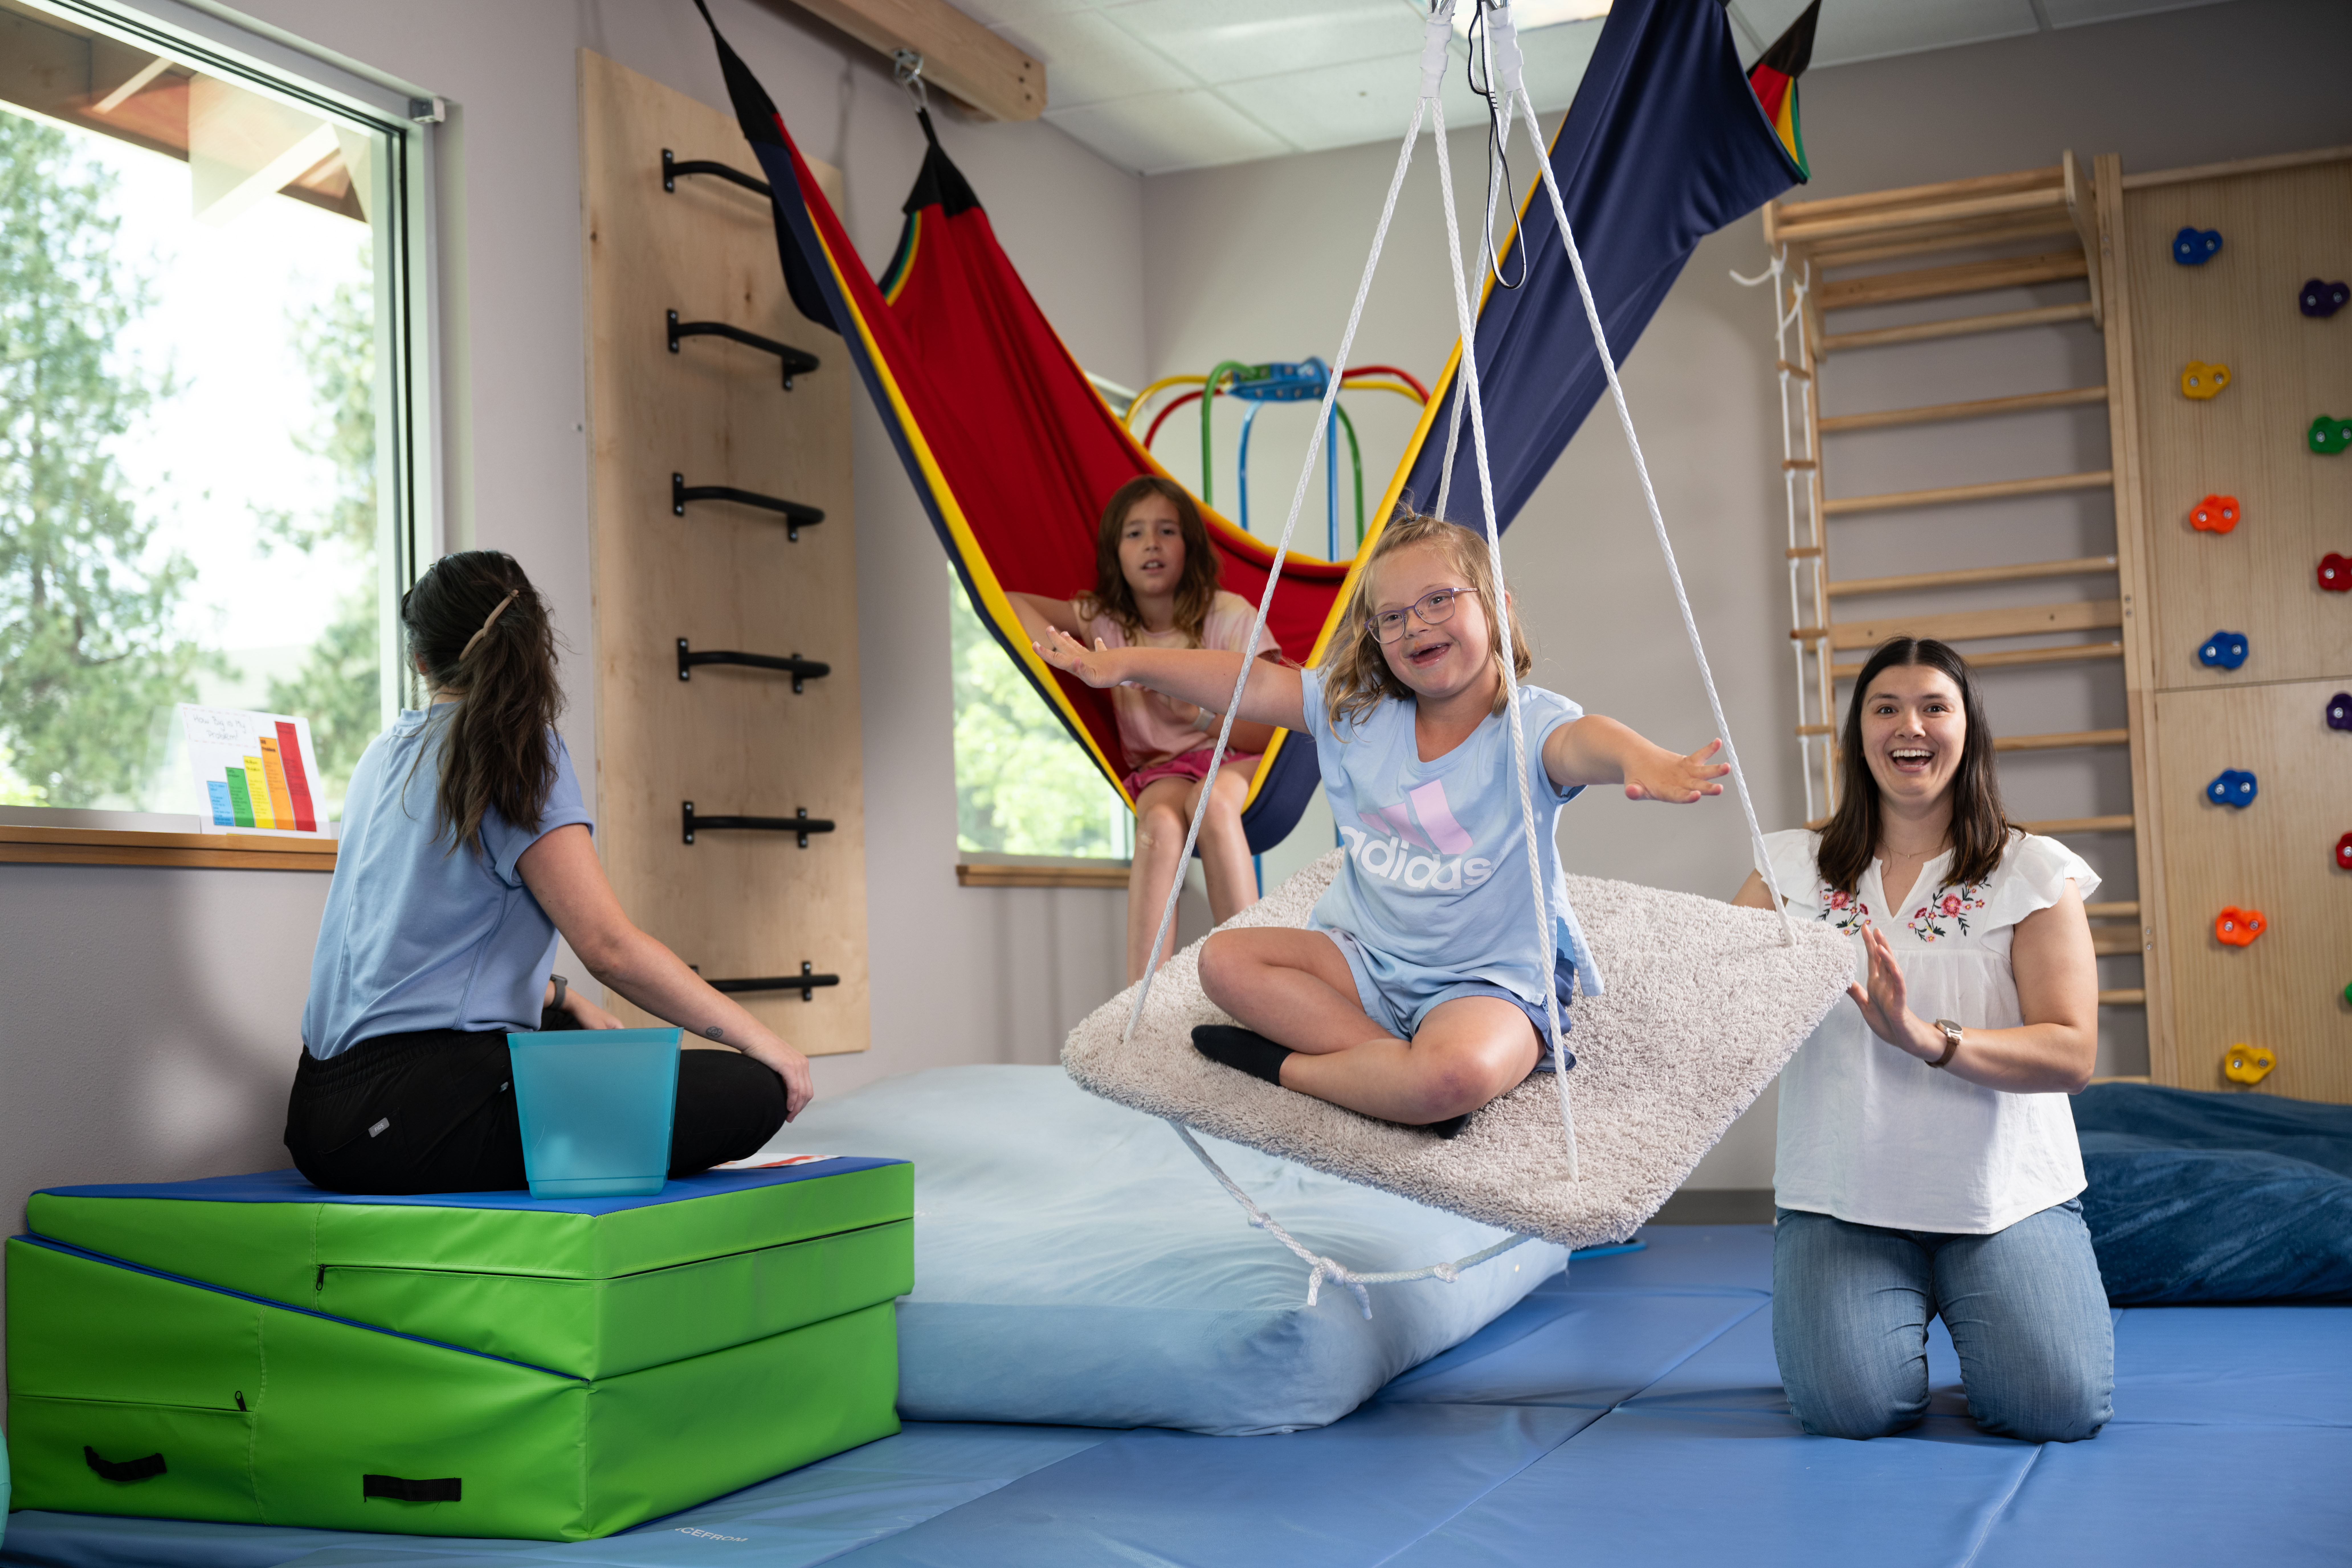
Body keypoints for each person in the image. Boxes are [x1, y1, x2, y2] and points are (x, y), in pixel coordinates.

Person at [1034, 513, 1727, 1134]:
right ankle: (1389, 1073)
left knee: (1452, 1077)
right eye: (1391, 618)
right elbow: (1247, 680)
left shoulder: (1526, 725)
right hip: (1366, 963)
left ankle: (1296, 1070)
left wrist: (1646, 760)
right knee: (1223, 961)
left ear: (1495, 607)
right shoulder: (1357, 715)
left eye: (1437, 601)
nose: (1416, 626)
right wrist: (1121, 665)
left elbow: (1586, 740)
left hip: (1484, 984)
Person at [287, 550, 813, 1195]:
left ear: (419, 660)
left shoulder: (381, 755)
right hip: (405, 1125)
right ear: (534, 640)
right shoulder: (514, 747)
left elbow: (413, 954)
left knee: (572, 1036)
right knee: (753, 1087)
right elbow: (610, 950)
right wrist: (768, 1044)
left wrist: (564, 1002)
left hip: (320, 1111)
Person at [1731, 636, 2111, 1443]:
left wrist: (1927, 1039)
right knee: (1849, 1410)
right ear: (1859, 734)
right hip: (1842, 1202)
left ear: (1967, 729)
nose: (1912, 725)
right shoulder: (1788, 870)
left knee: (2056, 1409)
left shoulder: (2031, 872)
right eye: (1887, 707)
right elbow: (1715, 997)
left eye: (1935, 706)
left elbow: (2073, 1053)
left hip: (2003, 1199)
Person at [1008, 476, 1282, 983]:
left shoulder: (1227, 616)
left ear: (1190, 547)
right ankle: (1140, 1001)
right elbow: (1009, 602)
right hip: (1164, 771)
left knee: (1212, 805)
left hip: (1233, 759)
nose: (1151, 544)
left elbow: (1272, 733)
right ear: (1115, 553)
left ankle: (1257, 977)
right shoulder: (1104, 623)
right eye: (1134, 534)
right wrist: (1068, 657)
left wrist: (1198, 715)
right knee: (1158, 827)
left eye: (1166, 531)